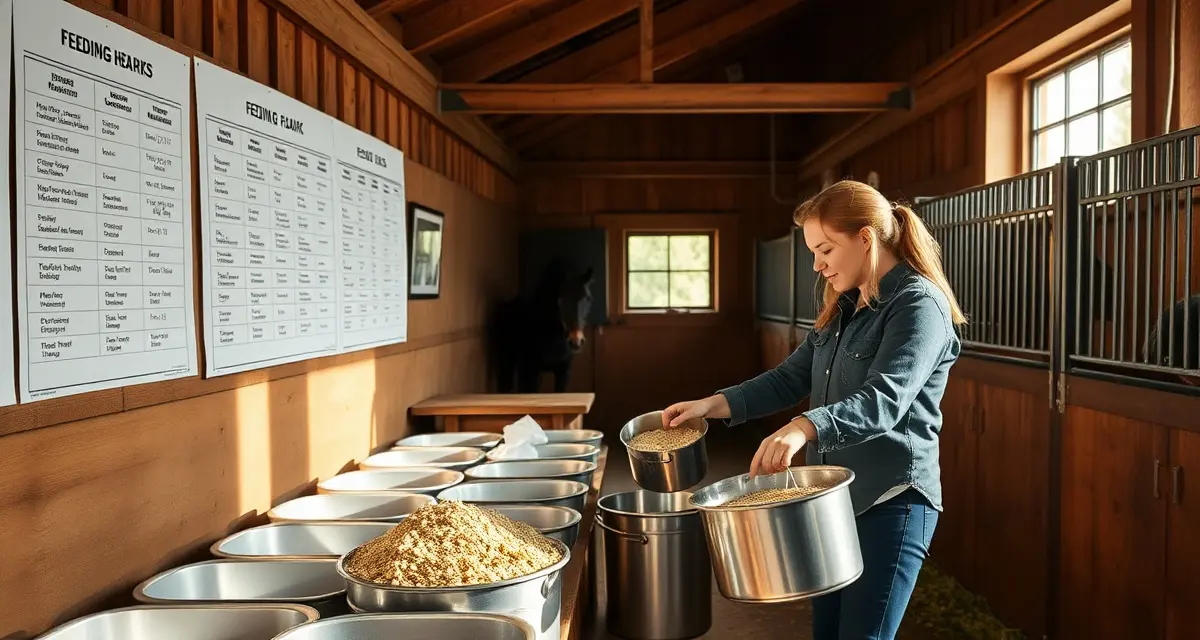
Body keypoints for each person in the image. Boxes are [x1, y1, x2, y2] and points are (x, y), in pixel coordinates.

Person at [662, 179, 966, 640]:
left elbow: (886, 398)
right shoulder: (845, 304)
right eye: (813, 252)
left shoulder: (918, 305)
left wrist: (802, 428)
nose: (818, 264)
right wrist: (712, 405)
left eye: (826, 249)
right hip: (832, 501)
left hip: (891, 501)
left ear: (865, 238)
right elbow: (789, 378)